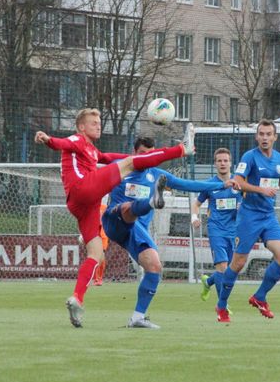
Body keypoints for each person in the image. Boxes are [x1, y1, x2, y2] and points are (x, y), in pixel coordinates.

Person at [35, 109, 194, 328]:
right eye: (93, 122)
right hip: (83, 188)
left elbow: (115, 158)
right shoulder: (77, 140)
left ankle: (77, 298)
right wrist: (48, 139)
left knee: (96, 254)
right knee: (130, 164)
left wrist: (138, 158)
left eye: (99, 122)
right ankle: (182, 149)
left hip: (84, 205)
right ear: (81, 127)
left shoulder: (92, 150)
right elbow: (63, 143)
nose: (98, 125)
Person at [102, 137, 226, 329]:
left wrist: (221, 185)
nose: (146, 157)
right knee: (127, 208)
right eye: (142, 154)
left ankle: (137, 317)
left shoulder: (157, 175)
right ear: (134, 153)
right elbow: (96, 173)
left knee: (154, 267)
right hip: (114, 220)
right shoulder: (120, 167)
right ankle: (151, 202)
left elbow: (189, 184)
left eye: (150, 154)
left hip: (136, 231)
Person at [214, 120, 280, 323]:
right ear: (256, 137)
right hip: (249, 216)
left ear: (275, 137)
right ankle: (221, 305)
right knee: (238, 263)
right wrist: (260, 190)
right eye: (261, 134)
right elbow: (238, 182)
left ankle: (259, 297)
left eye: (268, 134)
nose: (264, 138)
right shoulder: (250, 157)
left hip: (268, 216)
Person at [191, 147, 241, 302]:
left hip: (234, 231)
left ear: (231, 163)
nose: (223, 163)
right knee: (222, 267)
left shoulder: (239, 183)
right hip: (216, 229)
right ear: (215, 164)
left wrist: (243, 209)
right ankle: (222, 306)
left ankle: (208, 282)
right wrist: (194, 217)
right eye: (219, 161)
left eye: (225, 160)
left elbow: (247, 204)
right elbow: (196, 204)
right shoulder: (210, 184)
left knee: (229, 271)